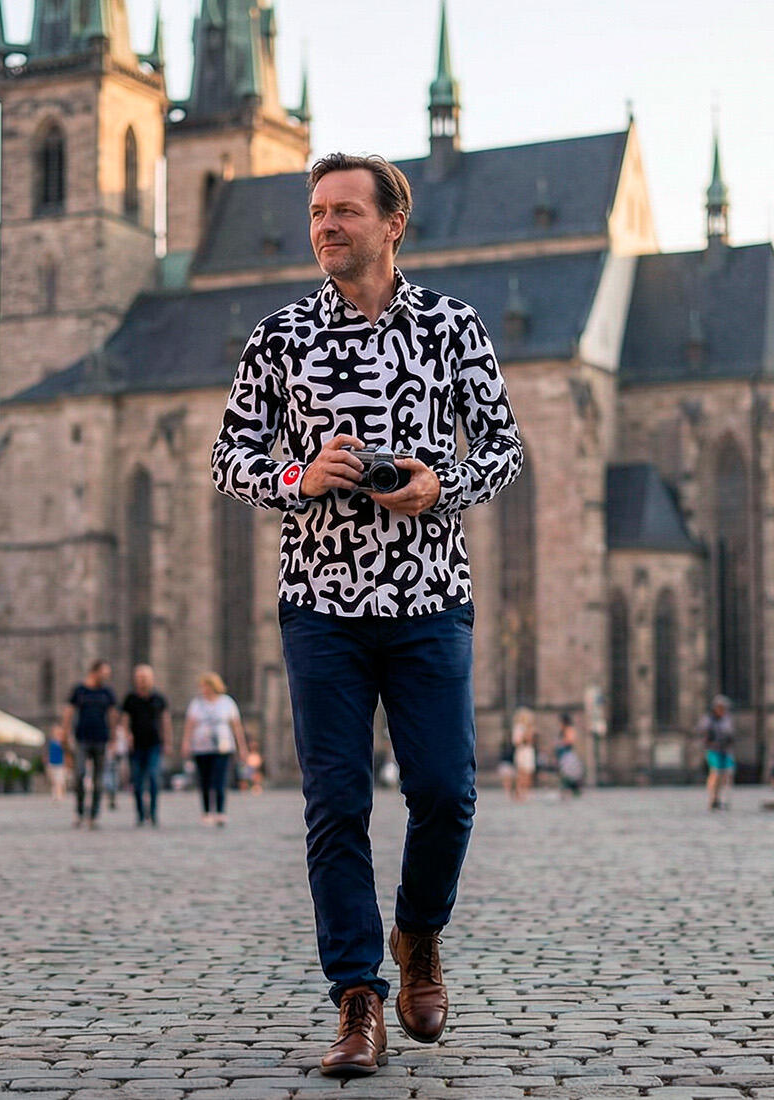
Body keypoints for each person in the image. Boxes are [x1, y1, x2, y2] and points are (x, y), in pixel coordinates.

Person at [212, 152, 524, 1076]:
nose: (326, 225)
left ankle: (417, 935)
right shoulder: (279, 337)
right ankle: (358, 999)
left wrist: (441, 484)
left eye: (345, 210)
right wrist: (299, 476)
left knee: (446, 793)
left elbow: (504, 450)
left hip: (430, 595)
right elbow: (230, 459)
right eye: (317, 211)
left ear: (393, 223)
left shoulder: (451, 326)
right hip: (321, 605)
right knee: (336, 804)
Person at [63, 659, 119, 829]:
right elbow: (69, 712)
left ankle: (93, 815)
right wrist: (65, 734)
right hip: (82, 739)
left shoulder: (107, 692)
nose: (107, 676)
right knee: (79, 774)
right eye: (104, 673)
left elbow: (112, 715)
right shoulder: (80, 691)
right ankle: (80, 811)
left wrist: (114, 738)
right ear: (94, 672)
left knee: (98, 780)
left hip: (101, 739)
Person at [185, 673, 244, 826]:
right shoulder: (197, 703)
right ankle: (206, 812)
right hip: (201, 747)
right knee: (204, 780)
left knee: (220, 779)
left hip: (223, 747)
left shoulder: (227, 702)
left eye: (206, 686)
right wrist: (186, 743)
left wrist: (242, 747)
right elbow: (189, 725)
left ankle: (220, 811)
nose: (204, 689)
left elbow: (236, 726)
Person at [121, 664, 170, 827]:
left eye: (145, 677)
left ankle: (153, 812)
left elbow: (165, 720)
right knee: (137, 780)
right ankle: (141, 813)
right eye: (140, 678)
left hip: (154, 744)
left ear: (152, 679)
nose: (142, 680)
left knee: (154, 777)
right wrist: (127, 735)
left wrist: (167, 741)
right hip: (136, 746)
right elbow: (125, 719)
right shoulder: (130, 698)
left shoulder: (159, 698)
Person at [703, 696, 735, 811]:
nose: (721, 710)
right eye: (719, 708)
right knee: (715, 773)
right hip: (713, 750)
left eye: (723, 708)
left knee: (726, 774)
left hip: (725, 750)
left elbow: (731, 734)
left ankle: (719, 798)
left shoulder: (727, 719)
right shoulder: (709, 720)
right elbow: (704, 733)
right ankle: (712, 798)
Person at [554, 714, 585, 798]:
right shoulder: (562, 730)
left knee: (569, 773)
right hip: (561, 753)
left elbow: (570, 740)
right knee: (564, 773)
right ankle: (566, 790)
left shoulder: (569, 729)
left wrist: (560, 742)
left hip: (566, 753)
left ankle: (573, 790)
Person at [509, 708, 537, 802]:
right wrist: (525, 737)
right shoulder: (519, 728)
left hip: (528, 750)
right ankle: (519, 792)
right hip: (522, 750)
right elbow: (516, 741)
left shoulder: (530, 728)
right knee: (521, 772)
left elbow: (532, 741)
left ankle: (526, 791)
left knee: (529, 772)